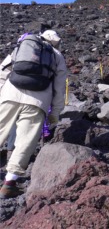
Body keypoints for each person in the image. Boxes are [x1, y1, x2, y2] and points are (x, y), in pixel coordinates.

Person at [0, 30, 67, 199]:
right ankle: (9, 183)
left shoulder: (24, 44)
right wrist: (55, 114)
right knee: (25, 141)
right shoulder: (56, 55)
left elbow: (3, 70)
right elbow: (59, 88)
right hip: (38, 101)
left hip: (10, 94)